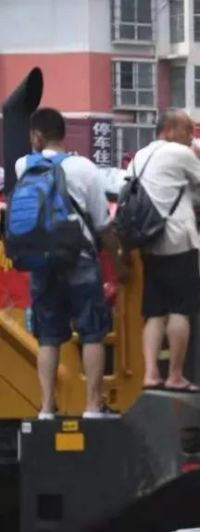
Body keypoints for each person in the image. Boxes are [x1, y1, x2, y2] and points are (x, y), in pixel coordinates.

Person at [14, 108, 126, 418]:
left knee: (48, 336)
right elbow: (104, 224)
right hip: (79, 258)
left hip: (41, 260)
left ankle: (47, 407)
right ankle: (92, 406)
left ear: (37, 136)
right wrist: (119, 265)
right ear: (63, 133)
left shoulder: (23, 165)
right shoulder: (85, 168)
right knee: (92, 333)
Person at [132, 109, 200, 393]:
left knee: (154, 312)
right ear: (168, 130)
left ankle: (151, 373)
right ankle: (175, 375)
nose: (191, 136)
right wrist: (198, 157)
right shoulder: (179, 153)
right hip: (178, 240)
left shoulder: (139, 157)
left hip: (149, 241)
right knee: (181, 310)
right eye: (186, 130)